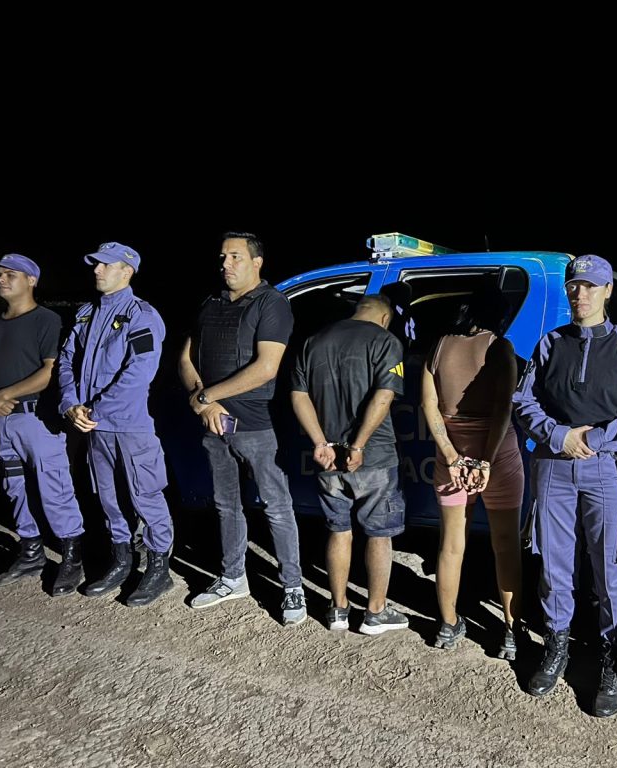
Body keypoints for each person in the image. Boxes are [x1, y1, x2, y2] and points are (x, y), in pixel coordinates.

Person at [512, 254, 617, 717]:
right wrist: (558, 435)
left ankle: (610, 661)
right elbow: (523, 401)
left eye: (589, 285)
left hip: (607, 469)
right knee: (553, 564)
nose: (579, 293)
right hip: (554, 465)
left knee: (612, 568)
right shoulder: (550, 343)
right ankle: (556, 645)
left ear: (607, 291)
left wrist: (600, 438)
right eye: (573, 285)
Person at [179, 232, 305, 626]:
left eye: (235, 256)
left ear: (256, 262)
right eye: (222, 257)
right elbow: (186, 357)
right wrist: (204, 402)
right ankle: (233, 577)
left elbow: (266, 367)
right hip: (213, 423)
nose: (226, 264)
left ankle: (293, 586)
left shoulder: (272, 303)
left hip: (256, 425)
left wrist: (206, 396)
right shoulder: (210, 303)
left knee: (277, 507)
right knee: (226, 505)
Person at [58, 242, 174, 606]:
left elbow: (139, 373)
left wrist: (94, 410)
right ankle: (122, 561)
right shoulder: (86, 314)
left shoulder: (142, 316)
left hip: (129, 426)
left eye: (105, 265)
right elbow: (66, 361)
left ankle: (159, 568)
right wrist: (69, 404)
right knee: (108, 498)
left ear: (127, 271)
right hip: (93, 427)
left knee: (146, 496)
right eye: (95, 264)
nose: (97, 270)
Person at [291, 294, 408, 635]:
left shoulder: (313, 341)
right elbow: (384, 395)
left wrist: (320, 442)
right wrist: (358, 445)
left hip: (328, 458)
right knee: (378, 534)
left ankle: (338, 609)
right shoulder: (385, 341)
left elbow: (298, 395)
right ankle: (375, 613)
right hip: (373, 456)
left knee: (338, 529)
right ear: (385, 318)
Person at [0, 254, 85, 595]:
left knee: (54, 487)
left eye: (11, 274)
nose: (1, 279)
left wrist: (3, 394)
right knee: (15, 487)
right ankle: (31, 553)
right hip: (0, 421)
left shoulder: (46, 320)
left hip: (37, 418)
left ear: (31, 280)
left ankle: (72, 558)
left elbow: (49, 371)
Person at [421, 290, 523, 657]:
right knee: (506, 545)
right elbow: (503, 409)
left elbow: (429, 405)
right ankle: (512, 632)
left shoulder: (439, 346)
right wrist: (486, 461)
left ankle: (447, 625)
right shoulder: (500, 348)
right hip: (498, 458)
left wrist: (451, 455)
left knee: (451, 544)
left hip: (451, 458)